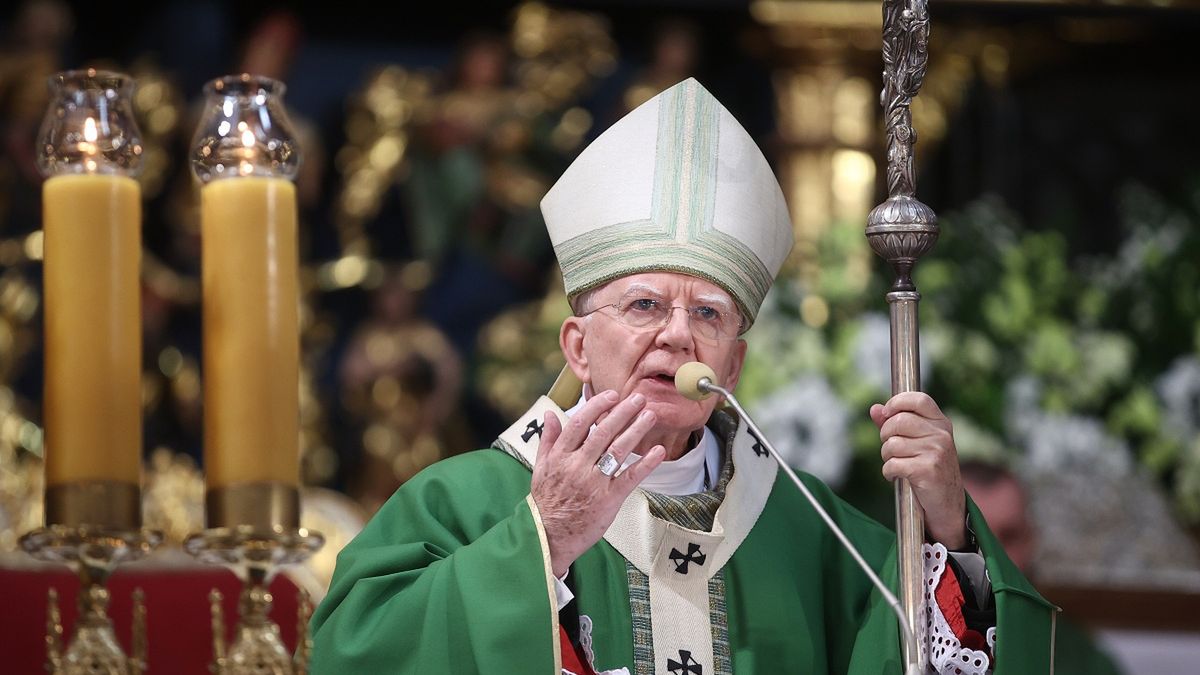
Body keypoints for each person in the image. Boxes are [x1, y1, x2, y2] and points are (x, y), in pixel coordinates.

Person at [310, 78, 1057, 674]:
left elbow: (927, 650)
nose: (676, 332)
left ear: (733, 360)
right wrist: (541, 541)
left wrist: (945, 525)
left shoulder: (808, 528)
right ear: (577, 346)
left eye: (707, 313)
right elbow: (355, 652)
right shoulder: (466, 502)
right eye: (643, 305)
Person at [960, 460, 1124, 675]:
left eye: (1009, 537)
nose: (995, 558)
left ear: (1031, 540)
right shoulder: (910, 637)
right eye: (976, 537)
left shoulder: (1071, 651)